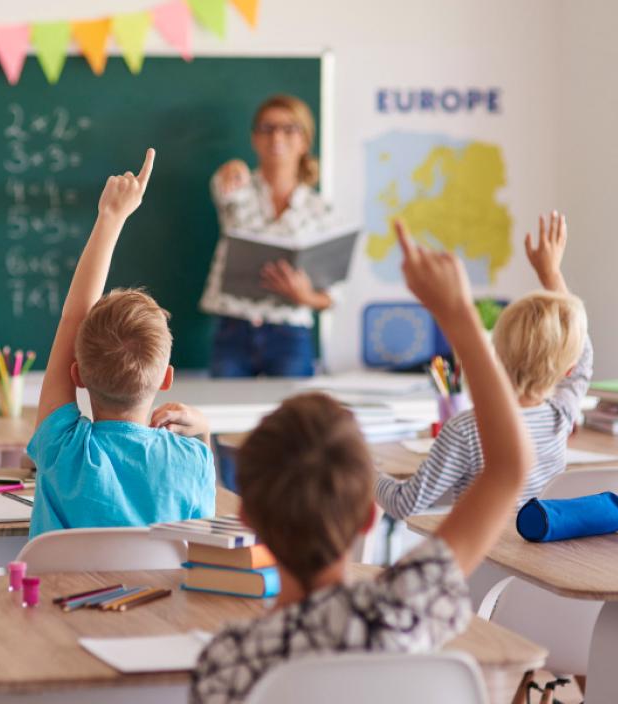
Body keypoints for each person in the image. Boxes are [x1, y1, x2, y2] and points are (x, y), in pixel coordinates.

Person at [190, 220, 534, 703]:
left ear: (246, 519)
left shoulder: (231, 660)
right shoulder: (404, 608)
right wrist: (458, 316)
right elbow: (509, 467)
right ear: (369, 515)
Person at [27, 149, 216, 538]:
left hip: (56, 600)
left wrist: (110, 218)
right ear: (166, 378)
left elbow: (72, 319)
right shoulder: (191, 460)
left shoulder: (64, 451)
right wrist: (204, 432)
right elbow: (202, 544)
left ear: (76, 374)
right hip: (159, 601)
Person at [377, 211, 592, 519]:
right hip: (533, 564)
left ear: (496, 352)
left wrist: (365, 470)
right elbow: (582, 357)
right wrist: (551, 274)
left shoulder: (467, 429)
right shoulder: (561, 417)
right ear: (567, 369)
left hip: (479, 562)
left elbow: (403, 504)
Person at [200, 94, 335, 378]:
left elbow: (331, 296)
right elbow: (221, 188)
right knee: (225, 417)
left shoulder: (320, 210)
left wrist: (305, 295)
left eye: (289, 129)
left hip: (290, 334)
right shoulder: (238, 188)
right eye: (267, 128)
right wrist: (231, 170)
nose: (276, 137)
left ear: (305, 141)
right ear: (254, 138)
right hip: (233, 328)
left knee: (293, 421)